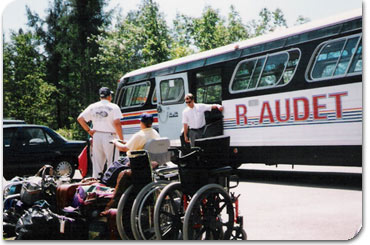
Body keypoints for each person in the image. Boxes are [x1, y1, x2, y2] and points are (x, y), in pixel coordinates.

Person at [101, 113, 159, 215]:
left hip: (139, 165)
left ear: (141, 123)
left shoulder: (139, 135)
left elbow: (124, 148)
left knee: (117, 167)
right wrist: (123, 142)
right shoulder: (154, 133)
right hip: (150, 164)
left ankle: (110, 202)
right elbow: (132, 144)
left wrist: (115, 142)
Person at [77, 87, 124, 179]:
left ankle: (96, 184)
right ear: (109, 96)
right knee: (112, 163)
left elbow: (80, 119)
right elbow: (117, 123)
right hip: (110, 136)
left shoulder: (93, 106)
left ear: (100, 97)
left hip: (96, 135)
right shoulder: (114, 107)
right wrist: (121, 139)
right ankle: (111, 183)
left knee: (97, 164)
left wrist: (89, 130)